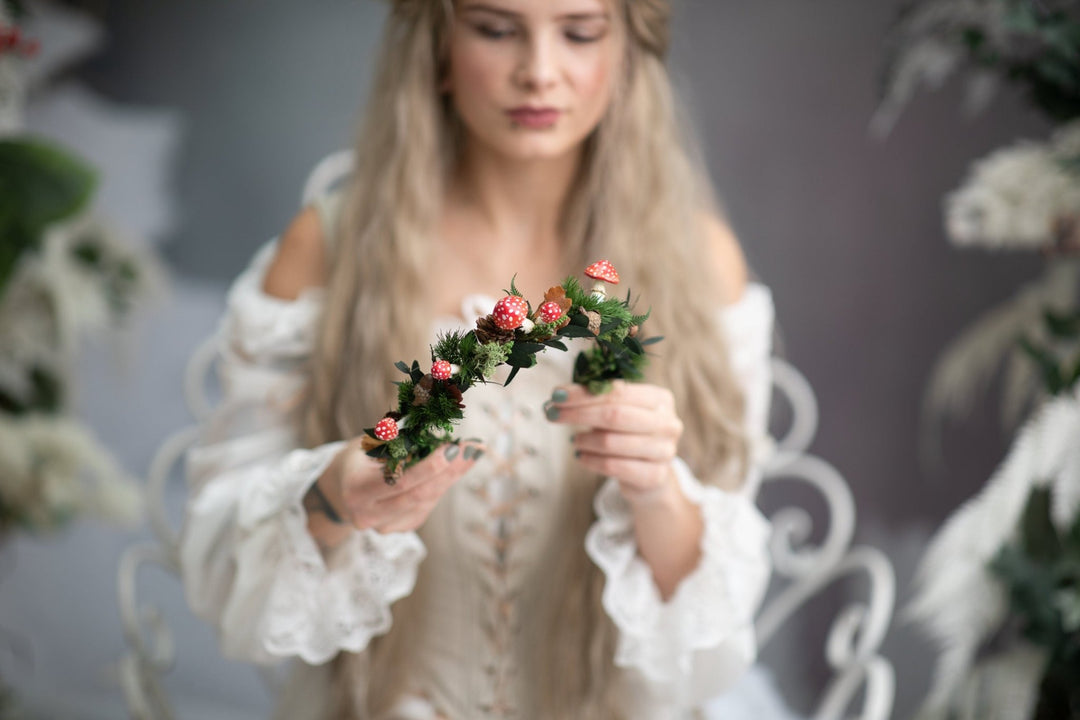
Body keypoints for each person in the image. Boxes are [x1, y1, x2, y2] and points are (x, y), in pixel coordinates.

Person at [179, 0, 776, 718]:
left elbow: (716, 627)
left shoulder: (696, 261)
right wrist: (334, 493)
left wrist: (655, 491)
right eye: (496, 30)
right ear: (436, 44)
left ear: (626, 52)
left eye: (580, 33)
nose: (539, 73)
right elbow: (220, 553)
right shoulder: (328, 250)